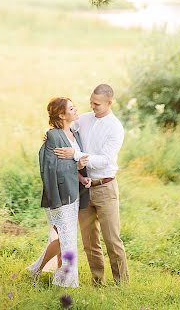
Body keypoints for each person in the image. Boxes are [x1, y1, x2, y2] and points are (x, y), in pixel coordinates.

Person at [54, 84, 129, 285]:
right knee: (89, 241)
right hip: (84, 187)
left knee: (112, 240)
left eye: (97, 104)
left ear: (109, 103)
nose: (92, 107)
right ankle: (98, 282)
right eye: (91, 102)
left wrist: (76, 155)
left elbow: (105, 160)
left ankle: (122, 284)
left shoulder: (115, 128)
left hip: (105, 187)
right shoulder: (85, 119)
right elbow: (65, 130)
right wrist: (50, 137)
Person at [27, 97, 91, 287]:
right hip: (59, 194)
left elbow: (70, 164)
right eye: (71, 108)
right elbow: (49, 167)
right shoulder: (53, 135)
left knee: (64, 236)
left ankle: (35, 270)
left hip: (73, 194)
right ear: (62, 115)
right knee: (67, 238)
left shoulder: (74, 133)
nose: (76, 110)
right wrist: (76, 166)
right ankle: (64, 282)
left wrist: (81, 177)